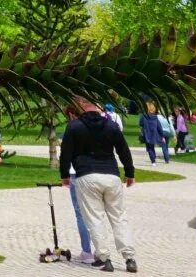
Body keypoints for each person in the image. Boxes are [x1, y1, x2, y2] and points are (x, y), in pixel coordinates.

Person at [60, 96, 138, 274]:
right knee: (119, 218)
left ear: (81, 106)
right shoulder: (111, 126)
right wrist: (130, 172)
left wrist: (65, 175)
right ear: (98, 107)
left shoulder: (74, 126)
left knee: (95, 219)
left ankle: (104, 258)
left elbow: (66, 153)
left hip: (87, 175)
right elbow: (123, 150)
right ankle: (130, 257)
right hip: (111, 174)